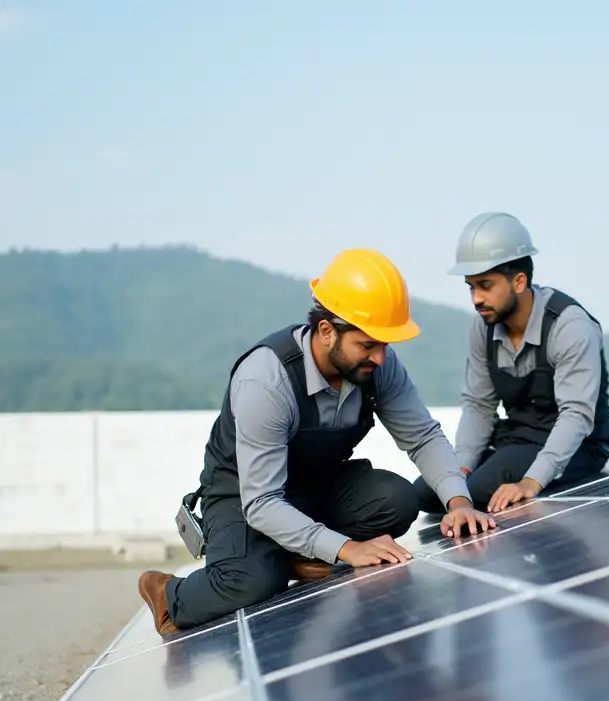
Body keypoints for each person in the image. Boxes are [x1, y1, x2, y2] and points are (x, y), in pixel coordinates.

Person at [139, 248, 496, 637]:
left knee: (397, 500)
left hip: (313, 485)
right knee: (253, 582)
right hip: (244, 496)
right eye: (368, 344)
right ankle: (169, 592)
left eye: (385, 345)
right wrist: (346, 549)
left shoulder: (377, 364)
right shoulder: (266, 380)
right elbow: (262, 502)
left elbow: (423, 435)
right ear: (327, 331)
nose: (380, 357)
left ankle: (290, 553)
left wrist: (458, 502)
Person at [414, 212, 609, 515]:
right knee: (429, 492)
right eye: (471, 287)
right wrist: (462, 467)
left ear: (519, 281)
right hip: (517, 438)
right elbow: (479, 405)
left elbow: (577, 415)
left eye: (485, 285)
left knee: (478, 493)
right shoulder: (483, 327)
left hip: (577, 447)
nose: (476, 299)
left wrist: (531, 482)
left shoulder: (569, 325)